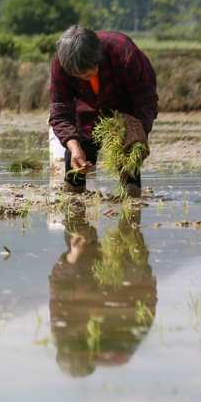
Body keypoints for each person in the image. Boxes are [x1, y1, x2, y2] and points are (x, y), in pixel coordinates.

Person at [49, 25, 158, 198]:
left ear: (98, 57)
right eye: (77, 74)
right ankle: (75, 214)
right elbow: (60, 111)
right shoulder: (62, 62)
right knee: (75, 167)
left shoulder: (126, 55)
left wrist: (138, 132)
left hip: (124, 110)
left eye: (87, 71)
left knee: (130, 170)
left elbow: (146, 100)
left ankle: (131, 208)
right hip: (85, 110)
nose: (83, 75)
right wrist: (74, 145)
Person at [48, 208, 157, 378]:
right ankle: (130, 214)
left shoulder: (63, 332)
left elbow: (58, 286)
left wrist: (73, 255)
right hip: (129, 288)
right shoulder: (121, 346)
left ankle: (76, 205)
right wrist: (132, 254)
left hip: (97, 284)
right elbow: (145, 297)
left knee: (77, 237)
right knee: (130, 237)